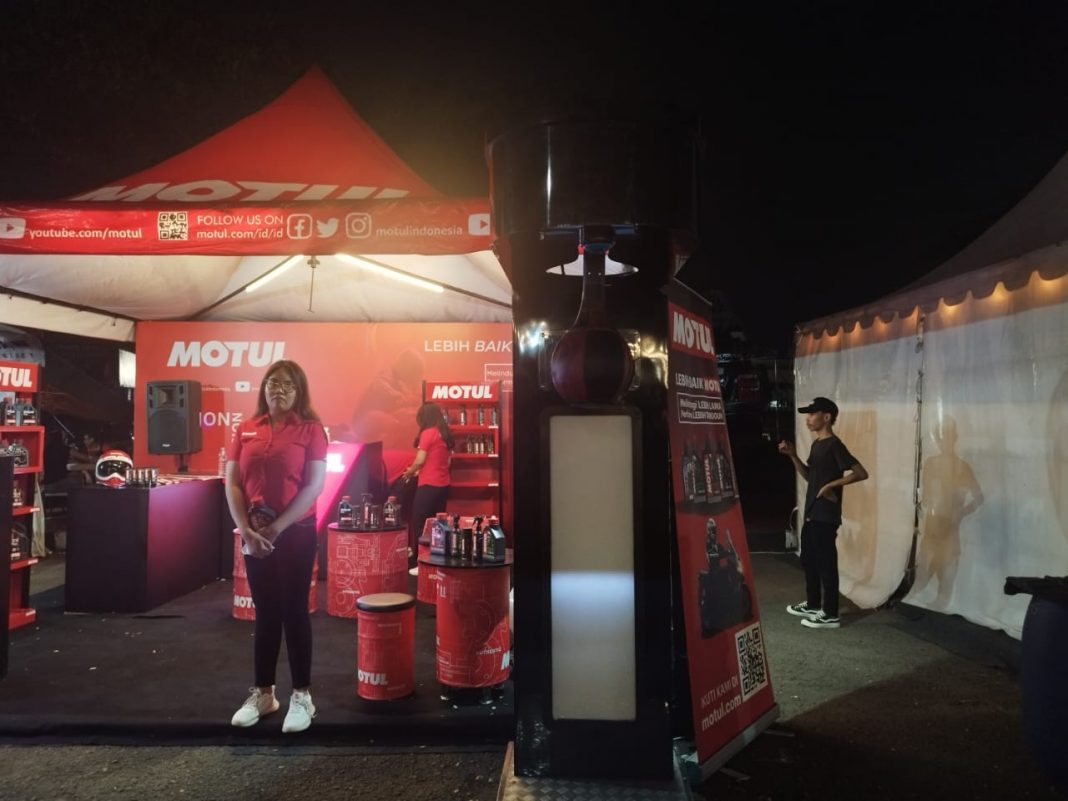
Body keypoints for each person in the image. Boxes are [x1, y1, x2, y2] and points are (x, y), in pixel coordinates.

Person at [225, 360, 328, 732]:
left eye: (287, 384)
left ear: (299, 391)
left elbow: (314, 486)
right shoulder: (245, 428)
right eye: (272, 382)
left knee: (294, 610)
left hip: (296, 531)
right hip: (254, 534)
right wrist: (245, 530)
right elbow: (233, 483)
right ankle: (264, 693)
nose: (278, 389)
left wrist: (278, 528)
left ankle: (302, 696)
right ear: (263, 388)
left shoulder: (311, 430)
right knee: (266, 611)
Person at [778, 396, 868, 630]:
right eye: (807, 415)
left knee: (826, 563)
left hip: (826, 513)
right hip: (812, 511)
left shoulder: (834, 445)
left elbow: (861, 473)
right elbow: (810, 476)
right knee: (809, 559)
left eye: (812, 414)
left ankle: (830, 614)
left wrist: (831, 485)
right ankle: (813, 604)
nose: (808, 419)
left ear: (826, 417)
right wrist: (793, 455)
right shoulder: (818, 444)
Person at [401, 402, 453, 563]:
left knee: (420, 523)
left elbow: (420, 459)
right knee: (438, 524)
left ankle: (420, 560)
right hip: (444, 485)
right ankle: (436, 558)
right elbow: (447, 462)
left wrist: (410, 472)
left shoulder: (428, 433)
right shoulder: (445, 434)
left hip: (428, 485)